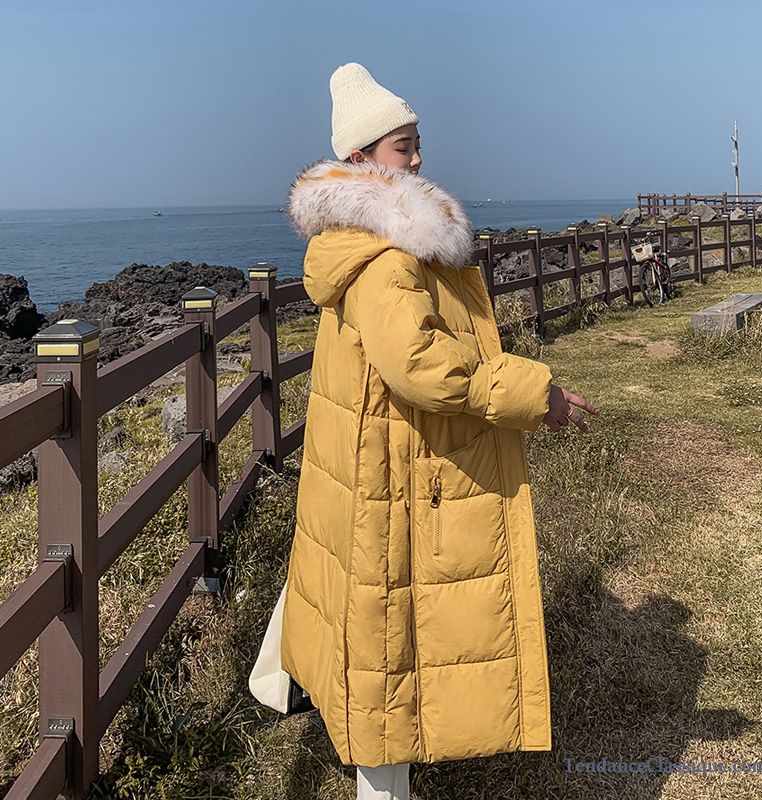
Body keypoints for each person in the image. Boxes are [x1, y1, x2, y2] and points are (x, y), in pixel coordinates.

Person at [250, 62, 598, 800]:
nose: (417, 159)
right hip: (396, 473)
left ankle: (292, 686)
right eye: (404, 147)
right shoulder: (387, 256)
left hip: (369, 463)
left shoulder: (356, 243)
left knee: (353, 611)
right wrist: (537, 393)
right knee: (387, 650)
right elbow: (421, 365)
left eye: (415, 144)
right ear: (361, 158)